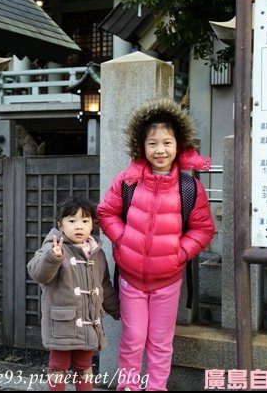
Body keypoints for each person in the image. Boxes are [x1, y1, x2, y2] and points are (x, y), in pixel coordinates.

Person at [97, 98, 215, 391]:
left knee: (161, 342)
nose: (160, 150)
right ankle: (128, 387)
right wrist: (123, 241)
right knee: (133, 339)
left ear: (179, 145)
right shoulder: (128, 182)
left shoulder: (190, 188)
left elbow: (203, 229)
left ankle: (157, 387)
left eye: (166, 142)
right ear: (141, 146)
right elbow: (106, 212)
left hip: (168, 279)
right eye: (152, 143)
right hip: (131, 278)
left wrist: (181, 252)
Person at [27, 195, 120, 391]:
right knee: (58, 367)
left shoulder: (97, 253)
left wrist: (119, 311)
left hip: (88, 323)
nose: (79, 226)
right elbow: (38, 273)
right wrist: (53, 257)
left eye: (85, 221)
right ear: (60, 225)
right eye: (72, 221)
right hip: (61, 325)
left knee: (84, 367)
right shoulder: (53, 248)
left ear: (92, 225)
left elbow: (104, 287)